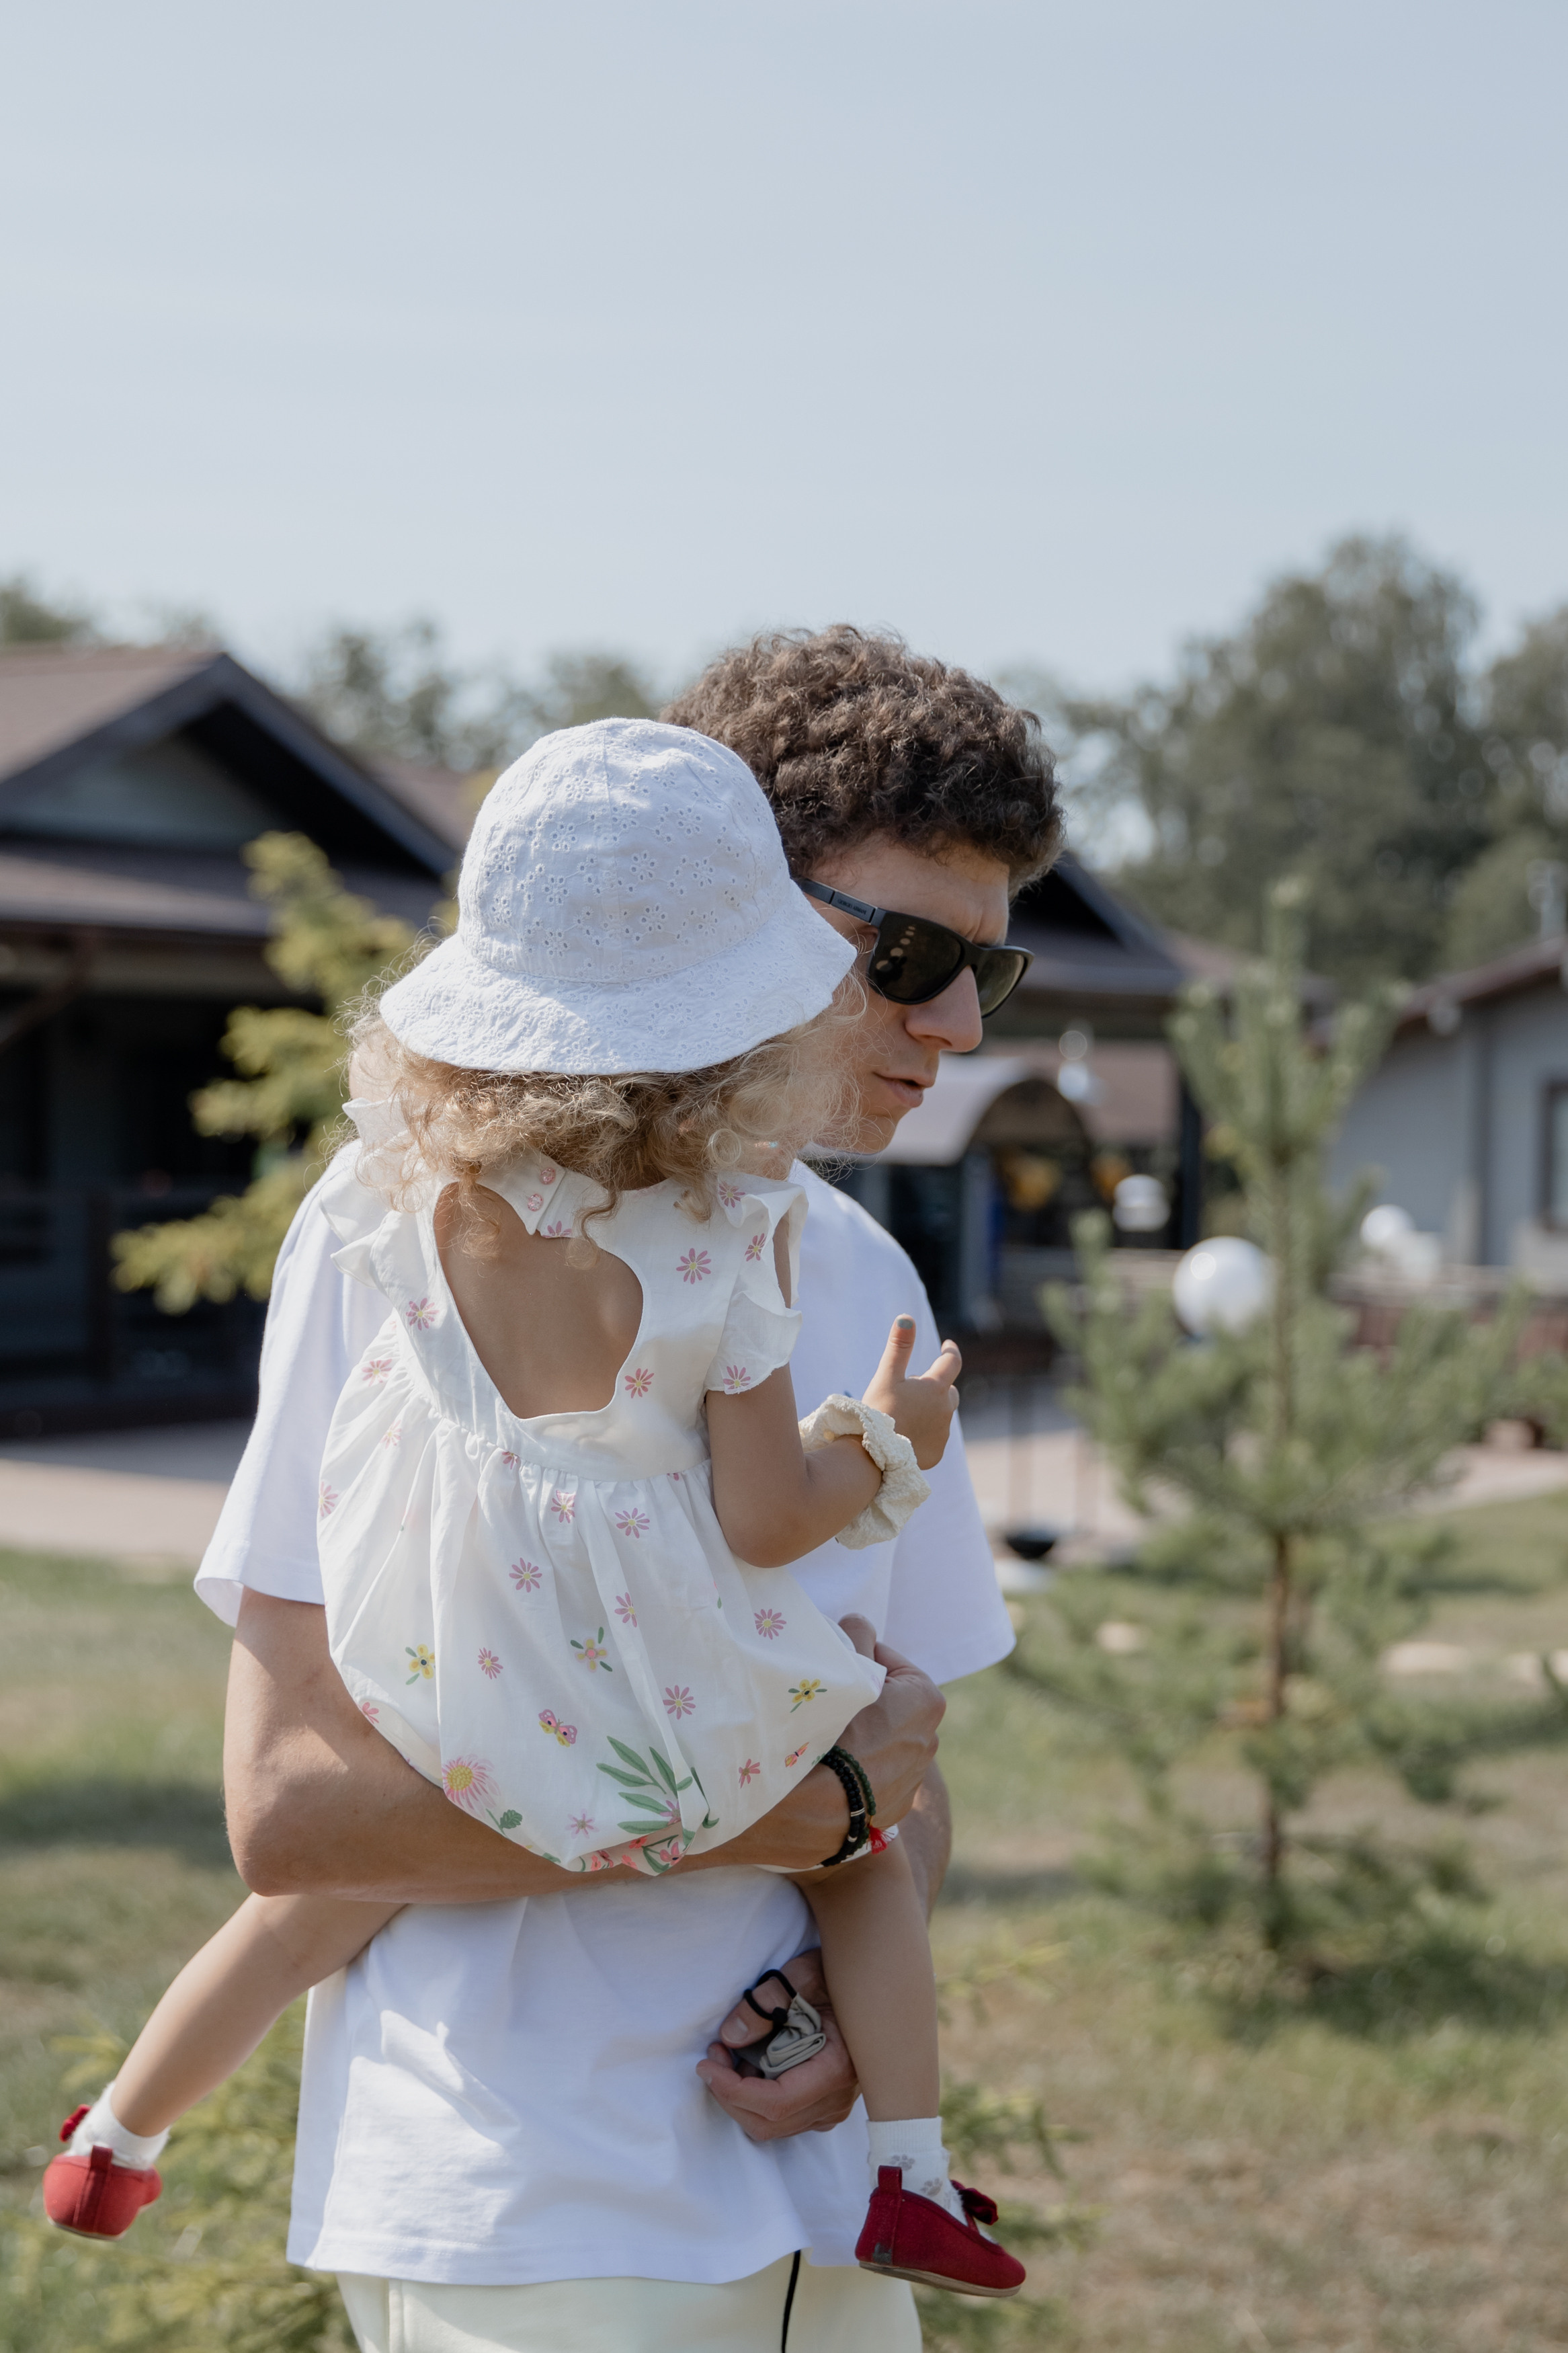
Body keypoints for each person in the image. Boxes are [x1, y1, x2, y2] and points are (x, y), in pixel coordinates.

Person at [58, 627, 1059, 2351]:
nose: (958, 1021)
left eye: (992, 965)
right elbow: (293, 1810)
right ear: (714, 908)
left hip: (821, 2221)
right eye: (906, 951)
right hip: (532, 2209)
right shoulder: (392, 1233)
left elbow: (908, 1757)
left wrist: (839, 1991)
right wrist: (791, 1820)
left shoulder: (866, 1273)